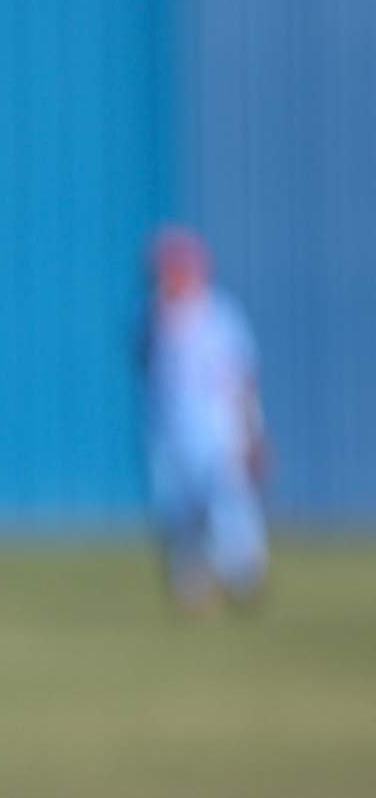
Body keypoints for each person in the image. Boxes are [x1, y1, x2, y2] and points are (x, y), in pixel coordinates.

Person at [141, 225, 270, 613]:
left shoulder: (218, 315)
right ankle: (191, 584)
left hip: (217, 428)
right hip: (169, 432)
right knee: (180, 511)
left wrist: (252, 432)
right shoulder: (152, 316)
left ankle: (244, 574)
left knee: (229, 501)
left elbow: (242, 376)